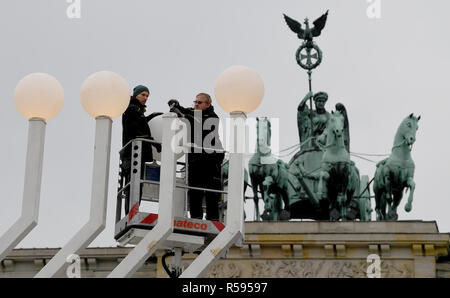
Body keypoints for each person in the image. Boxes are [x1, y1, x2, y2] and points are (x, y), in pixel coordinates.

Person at [168, 93, 224, 221]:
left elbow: (198, 123)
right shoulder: (195, 112)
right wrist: (177, 106)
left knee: (211, 192)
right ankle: (196, 218)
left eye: (200, 103)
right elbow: (188, 112)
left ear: (208, 104)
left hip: (211, 161)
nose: (196, 105)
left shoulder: (212, 117)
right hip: (196, 160)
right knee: (194, 191)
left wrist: (183, 115)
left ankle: (213, 219)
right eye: (195, 102)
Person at [121, 85, 162, 213]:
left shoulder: (135, 109)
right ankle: (131, 212)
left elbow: (139, 123)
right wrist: (153, 142)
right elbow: (135, 130)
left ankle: (132, 211)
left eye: (147, 96)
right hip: (134, 153)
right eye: (143, 95)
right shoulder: (132, 109)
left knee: (136, 184)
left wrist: (151, 117)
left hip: (137, 153)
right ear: (135, 95)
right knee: (134, 185)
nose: (145, 98)